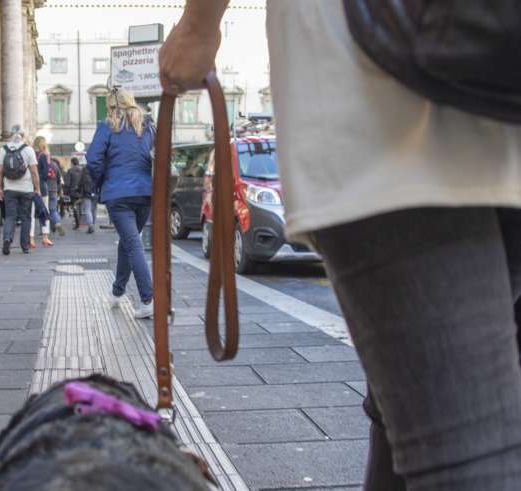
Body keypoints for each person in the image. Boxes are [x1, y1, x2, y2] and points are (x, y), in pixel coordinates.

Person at [161, 1, 521, 489]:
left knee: (432, 425)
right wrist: (199, 26)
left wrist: (198, 28)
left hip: (423, 70)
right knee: (467, 448)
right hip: (395, 84)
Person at [86, 88, 155, 319]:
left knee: (133, 243)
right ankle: (117, 292)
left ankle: (148, 300)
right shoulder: (147, 125)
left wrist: (102, 181)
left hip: (118, 193)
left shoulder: (107, 125)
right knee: (128, 241)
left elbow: (93, 159)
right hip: (145, 192)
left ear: (110, 105)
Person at [0, 125, 41, 255]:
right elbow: (34, 172)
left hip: (9, 188)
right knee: (26, 217)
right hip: (26, 189)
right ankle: (25, 246)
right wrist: (37, 188)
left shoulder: (3, 149)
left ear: (11, 135)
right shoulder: (29, 150)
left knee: (10, 216)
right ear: (23, 136)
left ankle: (7, 239)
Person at [31, 136, 54, 247]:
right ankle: (45, 237)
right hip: (41, 187)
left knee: (30, 213)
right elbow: (46, 173)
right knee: (44, 211)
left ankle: (31, 238)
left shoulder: (31, 154)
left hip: (30, 186)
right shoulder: (43, 156)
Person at [67, 156, 95, 233]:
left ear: (72, 163)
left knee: (76, 207)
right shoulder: (85, 170)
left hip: (76, 192)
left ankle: (78, 224)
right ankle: (91, 224)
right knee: (89, 208)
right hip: (91, 191)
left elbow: (69, 183)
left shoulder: (71, 170)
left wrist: (67, 191)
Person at [48, 157, 66, 236]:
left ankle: (45, 230)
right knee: (53, 210)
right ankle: (57, 223)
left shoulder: (41, 164)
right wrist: (59, 191)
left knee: (44, 210)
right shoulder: (55, 166)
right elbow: (59, 180)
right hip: (54, 190)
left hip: (44, 190)